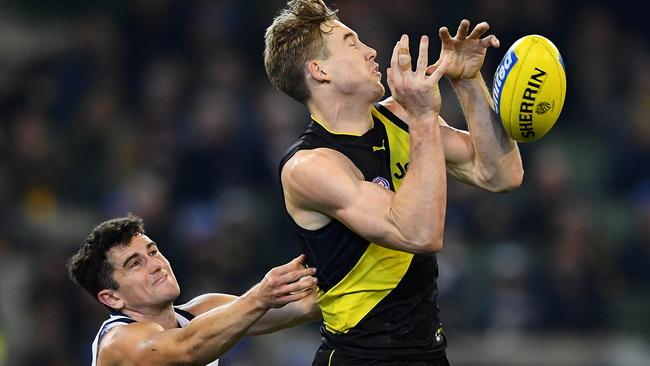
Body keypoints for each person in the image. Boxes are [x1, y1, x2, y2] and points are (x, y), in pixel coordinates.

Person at [264, 0, 524, 365]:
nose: (371, 51)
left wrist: (467, 80)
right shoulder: (309, 165)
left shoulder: (399, 119)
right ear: (320, 71)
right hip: (361, 357)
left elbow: (501, 174)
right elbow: (420, 234)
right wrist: (422, 116)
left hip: (429, 353)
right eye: (352, 42)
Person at [67, 214, 321, 366]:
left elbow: (302, 307)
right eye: (135, 264)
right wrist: (259, 296)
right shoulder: (117, 341)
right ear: (112, 297)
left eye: (153, 251)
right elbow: (188, 349)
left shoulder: (201, 311)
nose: (156, 265)